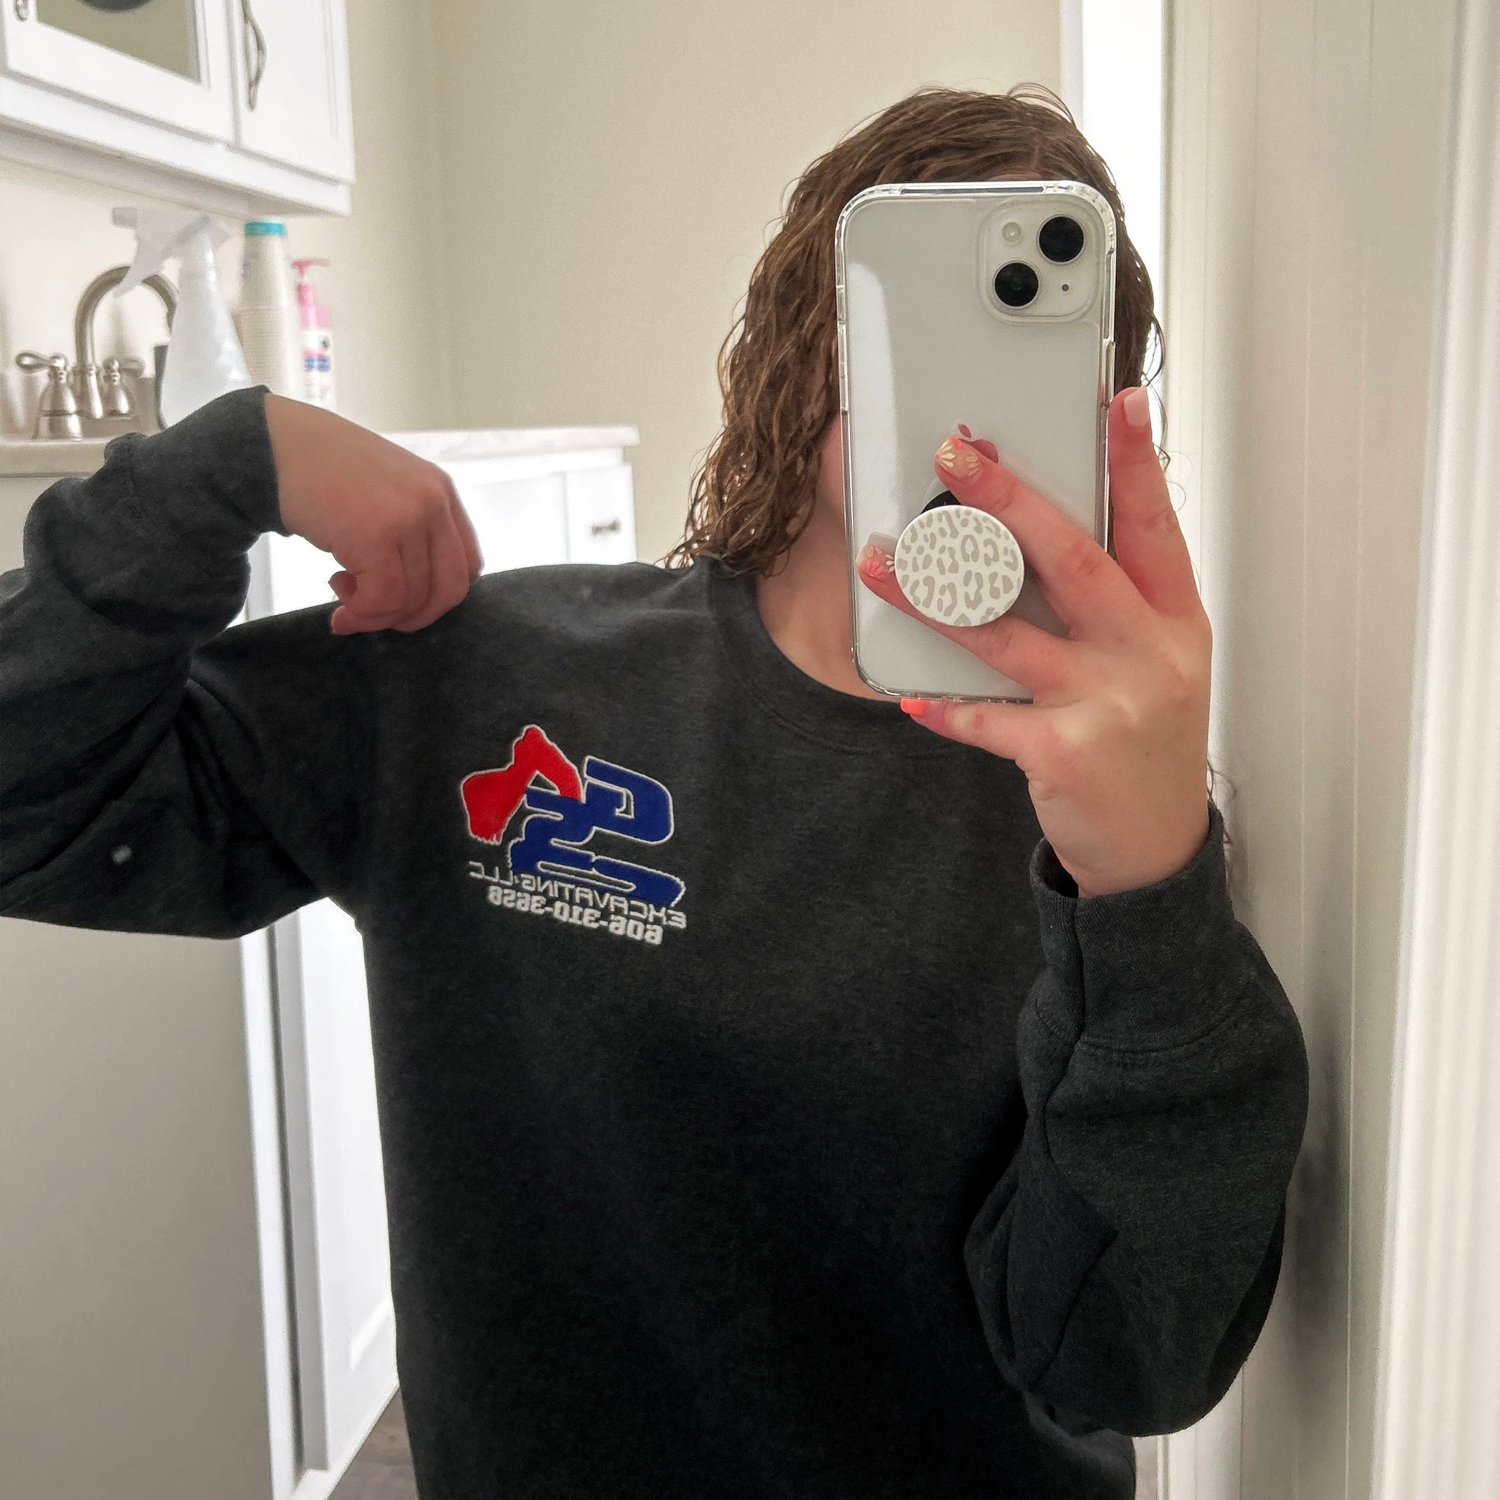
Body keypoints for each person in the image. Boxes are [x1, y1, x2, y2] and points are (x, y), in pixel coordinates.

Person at [0, 86, 1307, 1500]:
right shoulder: (488, 680)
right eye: (919, 317)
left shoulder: (1097, 816)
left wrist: (1151, 896)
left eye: (1029, 345)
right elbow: (30, 807)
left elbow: (1124, 1362)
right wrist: (216, 470)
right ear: (807, 340)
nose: (964, 413)